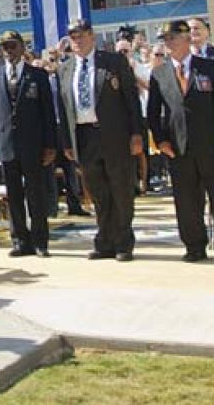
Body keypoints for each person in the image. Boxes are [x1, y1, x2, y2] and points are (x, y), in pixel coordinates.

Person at [148, 20, 214, 262]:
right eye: (165, 39)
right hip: (179, 148)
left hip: (212, 145)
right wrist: (161, 141)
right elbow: (154, 112)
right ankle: (194, 246)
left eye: (173, 38)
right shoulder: (159, 73)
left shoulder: (209, 67)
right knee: (187, 202)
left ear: (187, 39)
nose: (169, 43)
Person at [57, 21, 144, 261]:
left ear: (91, 36)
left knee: (120, 188)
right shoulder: (65, 69)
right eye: (72, 37)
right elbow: (64, 110)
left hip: (114, 134)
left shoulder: (113, 61)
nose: (77, 41)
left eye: (81, 36)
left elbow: (131, 100)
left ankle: (124, 242)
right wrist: (67, 142)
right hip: (84, 137)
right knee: (98, 192)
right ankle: (104, 240)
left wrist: (137, 133)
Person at [0, 31, 60, 257]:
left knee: (36, 194)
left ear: (22, 47)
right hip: (6, 142)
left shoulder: (37, 75)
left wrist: (50, 144)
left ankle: (40, 241)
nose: (9, 50)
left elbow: (48, 112)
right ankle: (20, 240)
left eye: (12, 45)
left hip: (33, 143)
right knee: (14, 195)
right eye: (5, 46)